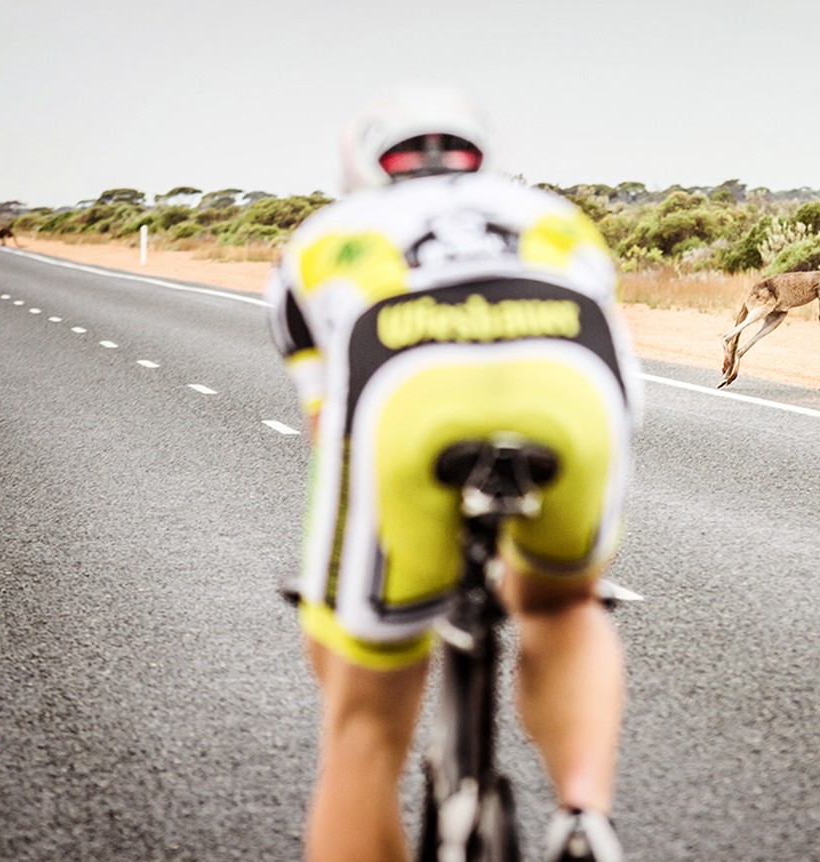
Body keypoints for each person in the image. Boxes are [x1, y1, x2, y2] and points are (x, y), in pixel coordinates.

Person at [265, 82, 639, 862]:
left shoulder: (325, 234)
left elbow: (328, 429)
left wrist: (354, 610)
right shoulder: (555, 216)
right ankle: (582, 816)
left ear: (364, 168)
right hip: (572, 380)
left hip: (407, 387)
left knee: (364, 715)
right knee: (562, 603)